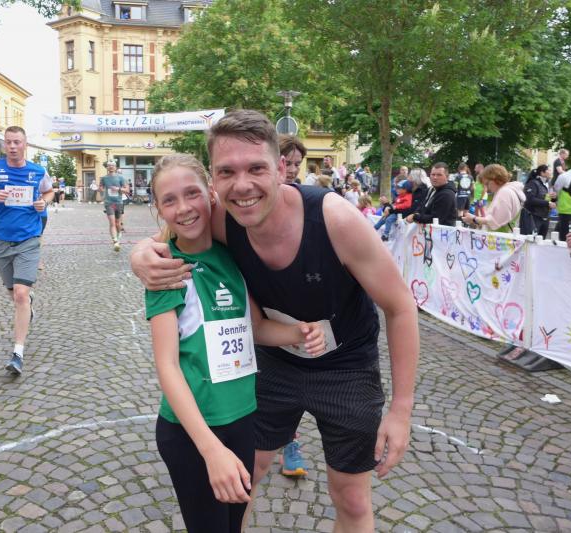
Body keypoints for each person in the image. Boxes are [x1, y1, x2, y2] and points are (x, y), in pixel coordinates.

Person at [131, 109, 419, 532]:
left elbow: (400, 306)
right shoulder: (224, 216)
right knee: (248, 474)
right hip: (272, 361)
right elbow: (174, 231)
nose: (242, 185)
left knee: (353, 498)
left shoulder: (336, 220)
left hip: (346, 366)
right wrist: (140, 255)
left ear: (282, 168)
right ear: (214, 182)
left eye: (256, 168)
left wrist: (401, 409)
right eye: (227, 172)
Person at [146, 153, 326, 533]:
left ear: (210, 193)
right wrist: (211, 450)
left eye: (192, 193)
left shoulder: (232, 256)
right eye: (169, 200)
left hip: (243, 419)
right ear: (159, 209)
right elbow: (167, 365)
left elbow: (254, 327)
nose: (184, 208)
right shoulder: (165, 270)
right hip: (193, 432)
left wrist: (297, 332)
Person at [0, 126, 53, 376]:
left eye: (17, 142)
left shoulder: (37, 171)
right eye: (9, 142)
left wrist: (43, 202)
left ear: (25, 144)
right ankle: (27, 306)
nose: (13, 146)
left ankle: (18, 353)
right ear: (4, 145)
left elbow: (49, 191)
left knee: (21, 294)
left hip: (29, 238)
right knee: (13, 293)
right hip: (1, 239)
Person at [460, 164, 525, 233]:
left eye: (487, 183)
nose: (486, 187)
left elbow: (495, 221)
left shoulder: (504, 192)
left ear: (495, 180)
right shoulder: (508, 190)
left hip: (501, 237)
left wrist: (474, 219)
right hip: (503, 235)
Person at [521, 164, 555, 238]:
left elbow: (543, 198)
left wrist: (553, 198)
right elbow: (530, 199)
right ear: (542, 173)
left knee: (542, 241)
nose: (551, 172)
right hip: (534, 217)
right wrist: (548, 203)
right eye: (548, 170)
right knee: (532, 240)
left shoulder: (547, 184)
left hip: (545, 216)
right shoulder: (533, 183)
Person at [100, 160, 127, 251]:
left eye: (112, 165)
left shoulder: (121, 177)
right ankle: (115, 241)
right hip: (109, 203)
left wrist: (118, 189)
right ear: (107, 167)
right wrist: (100, 189)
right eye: (109, 165)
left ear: (115, 167)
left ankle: (118, 236)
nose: (111, 167)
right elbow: (101, 187)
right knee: (112, 223)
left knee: (117, 223)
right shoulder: (104, 178)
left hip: (118, 202)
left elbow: (127, 190)